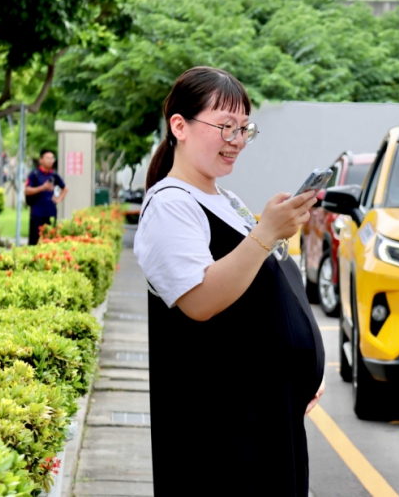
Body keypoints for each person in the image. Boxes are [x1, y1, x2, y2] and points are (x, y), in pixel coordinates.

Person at [134, 67, 325, 495]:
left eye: (243, 129)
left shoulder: (226, 200)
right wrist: (264, 233)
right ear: (179, 126)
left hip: (264, 410)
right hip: (219, 426)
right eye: (225, 126)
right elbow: (200, 300)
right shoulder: (171, 205)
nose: (236, 140)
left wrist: (301, 369)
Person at [25, 149, 67, 245]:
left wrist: (59, 199)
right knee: (34, 242)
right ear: (41, 160)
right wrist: (42, 188)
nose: (50, 160)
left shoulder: (54, 174)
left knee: (50, 240)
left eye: (52, 158)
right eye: (47, 158)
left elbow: (65, 188)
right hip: (37, 213)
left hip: (51, 212)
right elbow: (27, 191)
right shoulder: (34, 174)